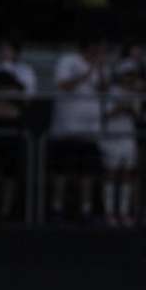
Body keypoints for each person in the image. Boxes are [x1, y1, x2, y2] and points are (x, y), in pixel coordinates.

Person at [50, 38, 107, 221]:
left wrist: (99, 69)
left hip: (90, 131)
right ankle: (57, 208)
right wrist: (88, 72)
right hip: (67, 128)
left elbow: (104, 89)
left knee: (88, 174)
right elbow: (62, 85)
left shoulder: (100, 66)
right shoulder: (68, 61)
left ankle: (86, 209)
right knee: (63, 172)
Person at [0, 37, 36, 220]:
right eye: (2, 49)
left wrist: (11, 93)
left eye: (9, 49)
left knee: (10, 173)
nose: (5, 53)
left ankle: (6, 211)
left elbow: (27, 98)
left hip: (14, 125)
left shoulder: (25, 72)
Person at [99, 59, 140, 227]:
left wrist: (127, 107)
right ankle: (109, 212)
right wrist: (121, 107)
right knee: (111, 173)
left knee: (127, 174)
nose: (130, 78)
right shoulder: (111, 91)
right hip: (112, 137)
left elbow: (137, 114)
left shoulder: (135, 94)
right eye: (127, 75)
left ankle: (123, 212)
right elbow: (106, 114)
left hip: (128, 137)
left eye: (132, 75)